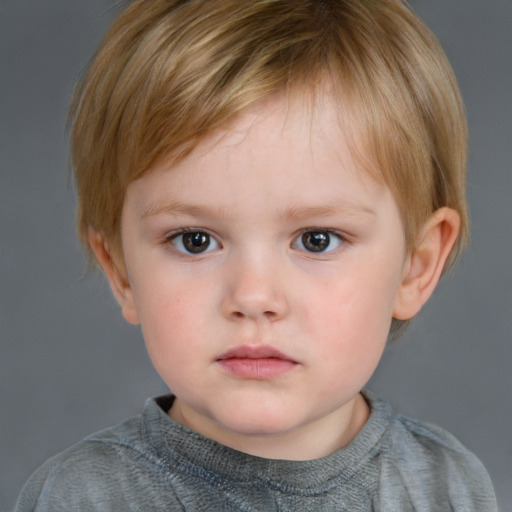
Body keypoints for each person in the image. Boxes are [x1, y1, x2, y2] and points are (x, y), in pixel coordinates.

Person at [15, 0, 497, 510]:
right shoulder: (82, 497)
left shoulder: (449, 488)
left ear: (415, 265)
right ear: (122, 271)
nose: (253, 297)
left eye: (316, 239)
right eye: (194, 240)